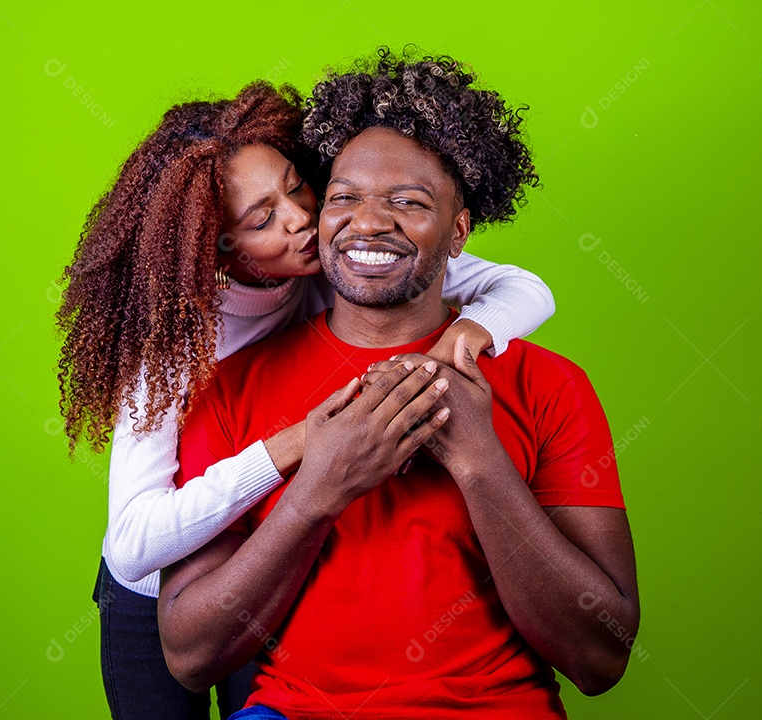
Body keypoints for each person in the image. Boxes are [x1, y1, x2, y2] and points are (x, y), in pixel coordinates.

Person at [158, 49, 639, 719]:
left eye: (408, 202)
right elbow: (190, 656)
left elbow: (600, 657)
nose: (369, 222)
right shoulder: (232, 387)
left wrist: (478, 460)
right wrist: (319, 490)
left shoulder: (547, 385)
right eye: (343, 198)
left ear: (459, 231)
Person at [55, 78, 557, 718]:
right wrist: (297, 446)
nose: (298, 218)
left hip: (257, 560)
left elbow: (523, 286)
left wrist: (456, 342)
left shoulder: (341, 261)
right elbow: (133, 541)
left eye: (297, 187)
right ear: (216, 247)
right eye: (262, 219)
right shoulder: (171, 346)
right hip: (154, 592)